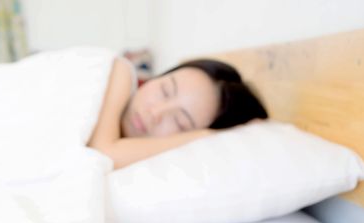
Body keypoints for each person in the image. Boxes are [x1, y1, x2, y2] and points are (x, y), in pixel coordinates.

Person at [87, 57, 268, 169]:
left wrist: (211, 137)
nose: (154, 113)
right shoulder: (119, 71)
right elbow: (103, 155)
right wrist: (207, 134)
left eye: (179, 122)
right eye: (165, 90)